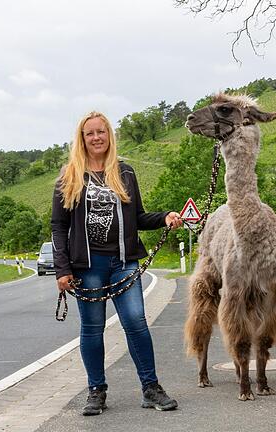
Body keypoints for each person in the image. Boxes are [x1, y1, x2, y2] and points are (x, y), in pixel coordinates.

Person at [51, 111, 183, 415]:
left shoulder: (125, 172)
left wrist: (164, 217)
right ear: (82, 139)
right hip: (87, 267)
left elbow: (136, 218)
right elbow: (59, 226)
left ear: (109, 135)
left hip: (123, 263)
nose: (96, 137)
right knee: (92, 328)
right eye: (90, 133)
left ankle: (151, 388)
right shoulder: (69, 175)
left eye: (101, 132)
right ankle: (96, 391)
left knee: (136, 322)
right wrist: (62, 269)